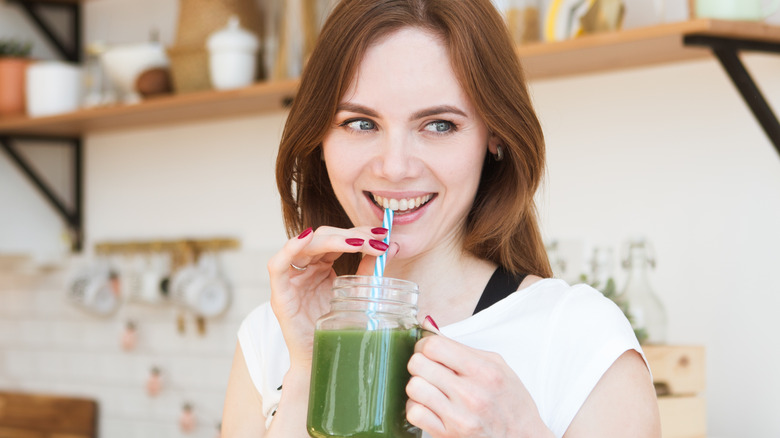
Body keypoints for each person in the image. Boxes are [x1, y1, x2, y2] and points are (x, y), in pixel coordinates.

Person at [222, 0, 661, 436]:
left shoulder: (581, 337)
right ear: (319, 136)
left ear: (495, 136)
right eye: (360, 123)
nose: (394, 167)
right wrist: (306, 373)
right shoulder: (270, 335)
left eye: (439, 125)